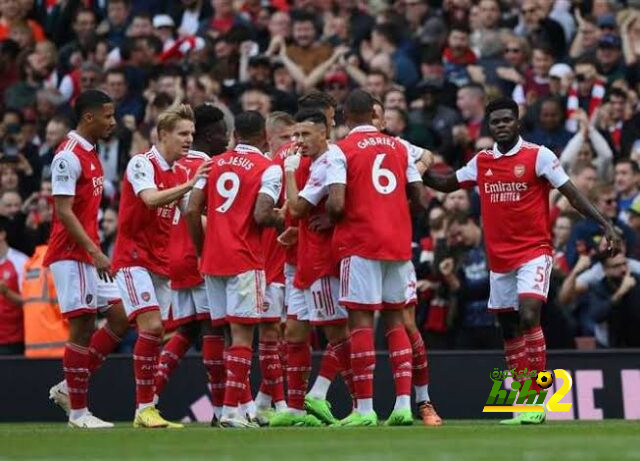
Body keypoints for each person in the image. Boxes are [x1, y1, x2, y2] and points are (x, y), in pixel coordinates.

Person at [423, 97, 621, 425]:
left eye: (506, 120)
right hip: (498, 259)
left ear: (517, 122)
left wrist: (605, 224)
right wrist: (411, 168)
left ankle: (535, 400)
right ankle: (522, 400)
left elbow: (572, 193)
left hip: (534, 252)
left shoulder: (538, 155)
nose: (501, 125)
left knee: (530, 315)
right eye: (495, 122)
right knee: (510, 328)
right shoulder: (481, 161)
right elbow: (446, 183)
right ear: (490, 126)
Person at [326, 90, 423, 426]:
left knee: (361, 323)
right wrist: (392, 211)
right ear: (373, 114)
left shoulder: (341, 150)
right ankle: (402, 406)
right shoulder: (400, 147)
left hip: (361, 243)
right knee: (397, 321)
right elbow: (419, 197)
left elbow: (336, 204)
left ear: (345, 117)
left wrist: (331, 215)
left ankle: (364, 410)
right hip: (397, 243)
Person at [112, 104, 210, 429]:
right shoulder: (142, 163)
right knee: (152, 327)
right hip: (133, 259)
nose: (189, 140)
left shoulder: (181, 172)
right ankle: (143, 407)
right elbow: (151, 199)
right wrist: (193, 182)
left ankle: (147, 407)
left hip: (161, 263)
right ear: (163, 134)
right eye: (183, 133)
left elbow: (193, 214)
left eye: (192, 134)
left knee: (155, 333)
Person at [185, 110, 283, 428]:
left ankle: (243, 408)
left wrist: (202, 250)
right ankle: (229, 411)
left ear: (235, 134)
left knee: (228, 335)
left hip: (213, 260)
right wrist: (289, 218)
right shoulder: (268, 169)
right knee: (242, 337)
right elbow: (261, 215)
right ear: (264, 137)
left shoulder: (213, 164)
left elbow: (192, 210)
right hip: (245, 260)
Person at [43, 90, 129, 429]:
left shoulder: (92, 153)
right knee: (82, 327)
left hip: (88, 253)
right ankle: (79, 413)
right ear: (89, 117)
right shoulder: (68, 156)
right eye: (107, 116)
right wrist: (94, 251)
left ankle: (69, 386)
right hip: (71, 253)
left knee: (121, 317)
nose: (112, 121)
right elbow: (63, 211)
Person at [269, 109, 352, 427]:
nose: (298, 141)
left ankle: (361, 405)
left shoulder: (328, 161)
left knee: (336, 332)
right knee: (294, 332)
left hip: (323, 259)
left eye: (305, 135)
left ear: (324, 133)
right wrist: (296, 230)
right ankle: (296, 407)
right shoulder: (317, 162)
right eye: (295, 135)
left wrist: (290, 173)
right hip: (304, 255)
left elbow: (299, 207)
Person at [152, 104, 229, 424]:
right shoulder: (207, 166)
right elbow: (205, 215)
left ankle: (149, 395)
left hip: (174, 256)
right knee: (214, 329)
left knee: (186, 329)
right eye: (223, 131)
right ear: (209, 134)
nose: (226, 138)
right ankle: (223, 408)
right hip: (199, 255)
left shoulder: (171, 164)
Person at [0, 216, 26, 355]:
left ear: (2, 234)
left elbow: (29, 301)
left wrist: (6, 292)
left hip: (13, 340)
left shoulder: (20, 262)